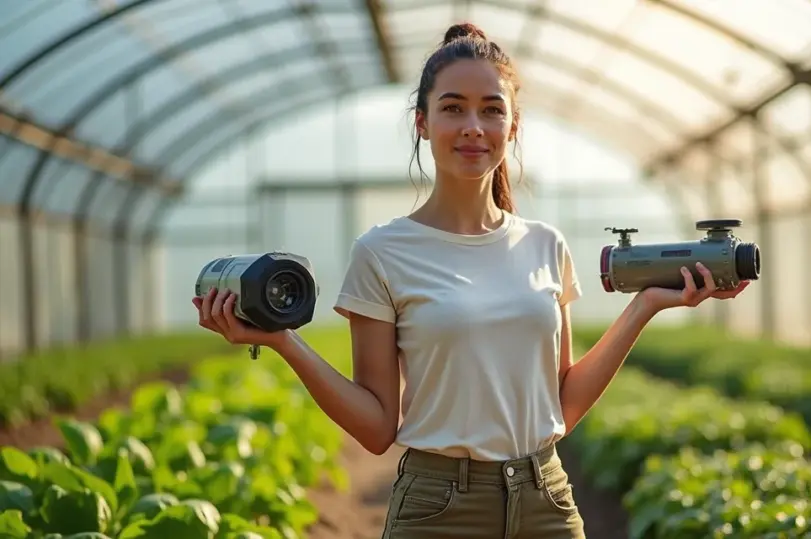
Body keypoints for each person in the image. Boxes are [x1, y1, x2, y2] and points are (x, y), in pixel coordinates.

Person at [192, 22, 750, 539]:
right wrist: (283, 341)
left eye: (491, 110)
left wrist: (645, 305)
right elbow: (377, 427)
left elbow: (563, 405)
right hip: (438, 509)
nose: (473, 128)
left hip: (546, 501)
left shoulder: (545, 244)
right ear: (422, 121)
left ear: (513, 124)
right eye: (453, 109)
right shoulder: (383, 251)